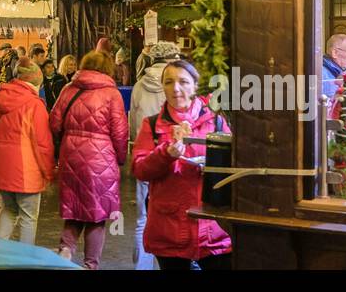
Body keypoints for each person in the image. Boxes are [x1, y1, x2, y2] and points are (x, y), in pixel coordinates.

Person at [131, 60, 232, 269]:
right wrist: (166, 153)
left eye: (183, 82)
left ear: (195, 86)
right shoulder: (152, 125)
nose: (175, 88)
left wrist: (213, 167)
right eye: (169, 82)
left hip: (213, 229)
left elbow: (232, 166)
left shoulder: (216, 122)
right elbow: (139, 169)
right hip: (169, 230)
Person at [49, 49, 128, 269]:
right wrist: (120, 159)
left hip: (70, 156)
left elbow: (54, 123)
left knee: (74, 211)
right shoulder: (112, 94)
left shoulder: (68, 88)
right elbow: (120, 133)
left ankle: (65, 251)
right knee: (96, 216)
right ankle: (90, 265)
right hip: (101, 161)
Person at [0, 60, 56, 245]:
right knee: (28, 216)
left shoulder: (1, 100)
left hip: (2, 169)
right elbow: (43, 146)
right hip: (26, 173)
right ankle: (24, 260)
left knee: (10, 209)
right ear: (35, 83)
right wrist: (49, 173)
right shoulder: (36, 105)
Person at [127, 40, 182, 269]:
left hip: (146, 153)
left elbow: (132, 123)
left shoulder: (140, 85)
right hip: (173, 155)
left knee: (142, 219)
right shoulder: (178, 83)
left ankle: (142, 266)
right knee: (174, 215)